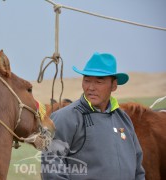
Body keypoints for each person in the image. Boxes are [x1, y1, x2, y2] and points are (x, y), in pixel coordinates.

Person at [41, 52, 145, 180]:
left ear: (114, 85)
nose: (91, 87)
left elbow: (138, 168)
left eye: (99, 82)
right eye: (87, 80)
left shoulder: (123, 119)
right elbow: (52, 168)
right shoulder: (65, 118)